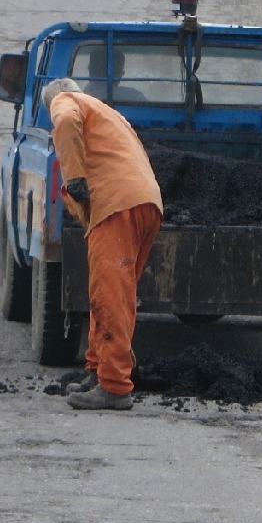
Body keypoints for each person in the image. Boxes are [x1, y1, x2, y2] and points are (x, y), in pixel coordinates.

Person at [40, 77, 164, 411]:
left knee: (110, 295)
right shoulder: (109, 114)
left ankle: (114, 387)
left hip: (116, 205)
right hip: (143, 203)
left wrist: (75, 176)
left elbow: (64, 121)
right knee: (111, 293)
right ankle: (99, 369)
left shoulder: (66, 102)